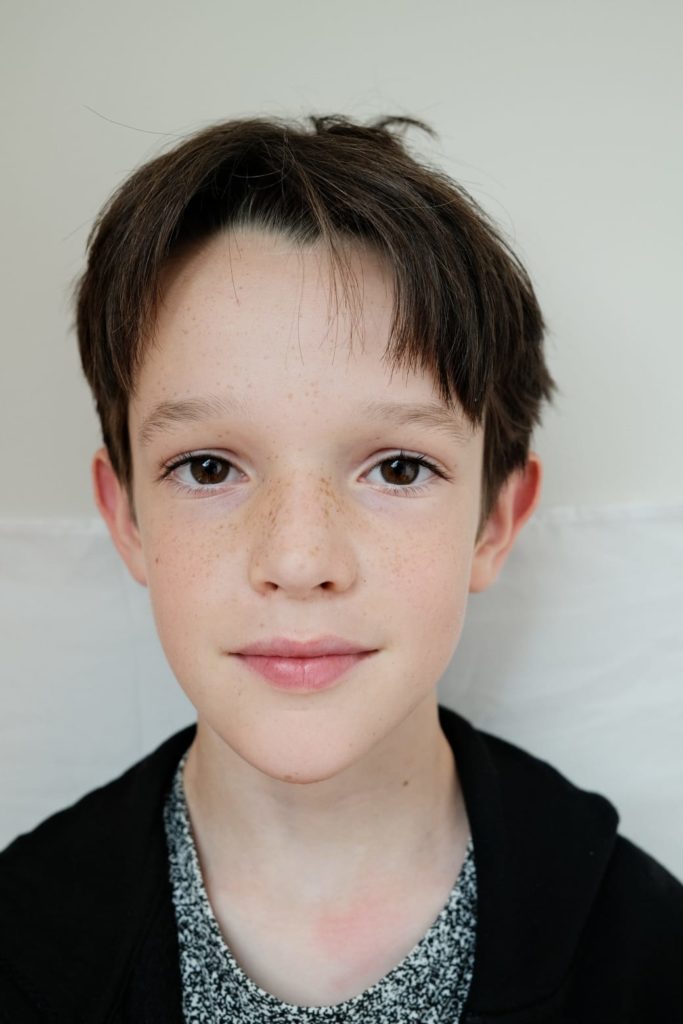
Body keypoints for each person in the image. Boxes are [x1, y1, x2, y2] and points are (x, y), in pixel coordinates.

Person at [1, 114, 681, 1023]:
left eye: (397, 468)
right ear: (126, 517)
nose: (298, 560)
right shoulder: (18, 941)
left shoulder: (650, 958)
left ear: (494, 521)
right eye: (206, 467)